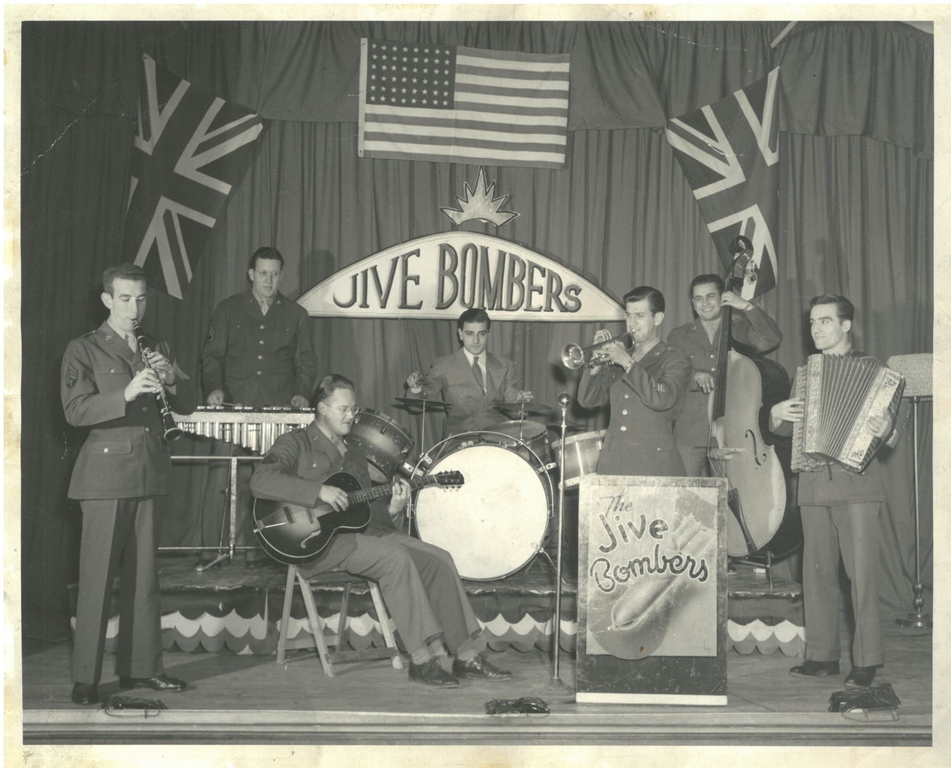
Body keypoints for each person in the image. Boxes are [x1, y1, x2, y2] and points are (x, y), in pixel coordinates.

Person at [250, 374, 513, 687]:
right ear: (321, 408)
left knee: (439, 559)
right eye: (343, 409)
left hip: (360, 538)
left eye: (354, 409)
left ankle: (467, 655)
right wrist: (316, 492)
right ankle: (421, 659)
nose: (352, 415)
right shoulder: (295, 443)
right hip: (317, 545)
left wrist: (392, 509)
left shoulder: (355, 452)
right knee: (395, 558)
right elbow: (260, 481)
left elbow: (362, 513)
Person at [61, 263, 196, 705]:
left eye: (140, 299)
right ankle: (86, 678)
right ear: (107, 300)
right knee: (97, 578)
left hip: (149, 471)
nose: (134, 307)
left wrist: (171, 376)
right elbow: (76, 411)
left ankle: (142, 670)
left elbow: (189, 405)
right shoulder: (83, 349)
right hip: (104, 476)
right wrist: (125, 394)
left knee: (145, 580)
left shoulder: (154, 345)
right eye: (125, 298)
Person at [769, 295, 898, 689]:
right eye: (812, 323)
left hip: (857, 485)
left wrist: (886, 430)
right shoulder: (807, 373)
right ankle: (822, 656)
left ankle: (866, 661)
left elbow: (892, 434)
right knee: (818, 573)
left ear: (846, 326)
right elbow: (790, 431)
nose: (816, 329)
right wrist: (776, 415)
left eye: (825, 321)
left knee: (860, 577)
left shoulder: (874, 370)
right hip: (812, 485)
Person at [199, 246, 320, 564]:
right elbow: (211, 357)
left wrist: (302, 394)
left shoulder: (296, 315)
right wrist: (214, 390)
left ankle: (267, 552)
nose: (269, 279)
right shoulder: (228, 309)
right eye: (262, 273)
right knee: (221, 479)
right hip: (233, 409)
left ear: (282, 274)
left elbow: (307, 362)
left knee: (273, 481)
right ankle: (213, 550)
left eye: (275, 273)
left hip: (276, 412)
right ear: (251, 274)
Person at [666, 274, 783, 477]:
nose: (704, 303)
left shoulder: (738, 328)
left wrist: (746, 307)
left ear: (722, 298)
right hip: (689, 433)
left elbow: (770, 339)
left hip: (732, 430)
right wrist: (695, 375)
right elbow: (671, 367)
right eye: (698, 299)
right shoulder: (680, 334)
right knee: (684, 495)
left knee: (730, 497)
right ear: (693, 304)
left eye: (710, 296)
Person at [578, 286, 691, 477]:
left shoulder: (675, 359)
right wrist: (595, 366)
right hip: (614, 464)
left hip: (653, 465)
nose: (631, 323)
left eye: (639, 316)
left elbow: (662, 398)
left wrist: (627, 363)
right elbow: (587, 400)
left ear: (658, 319)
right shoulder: (621, 357)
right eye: (628, 315)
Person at [405, 308, 532, 438]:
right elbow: (417, 406)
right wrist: (416, 388)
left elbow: (515, 411)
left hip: (496, 440)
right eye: (469, 334)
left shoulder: (505, 366)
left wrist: (520, 403)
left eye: (481, 334)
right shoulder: (443, 366)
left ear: (488, 333)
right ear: (460, 334)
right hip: (458, 441)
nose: (476, 341)